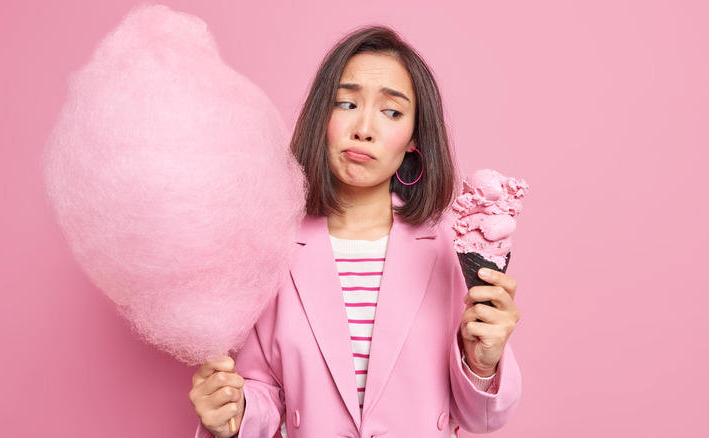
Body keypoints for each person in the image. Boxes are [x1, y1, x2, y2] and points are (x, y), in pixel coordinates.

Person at [189, 25, 521, 438]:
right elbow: (264, 392)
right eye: (346, 103)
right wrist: (233, 411)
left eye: (392, 112)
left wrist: (483, 364)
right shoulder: (273, 245)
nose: (364, 128)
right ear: (321, 119)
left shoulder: (450, 248)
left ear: (414, 139)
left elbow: (480, 418)